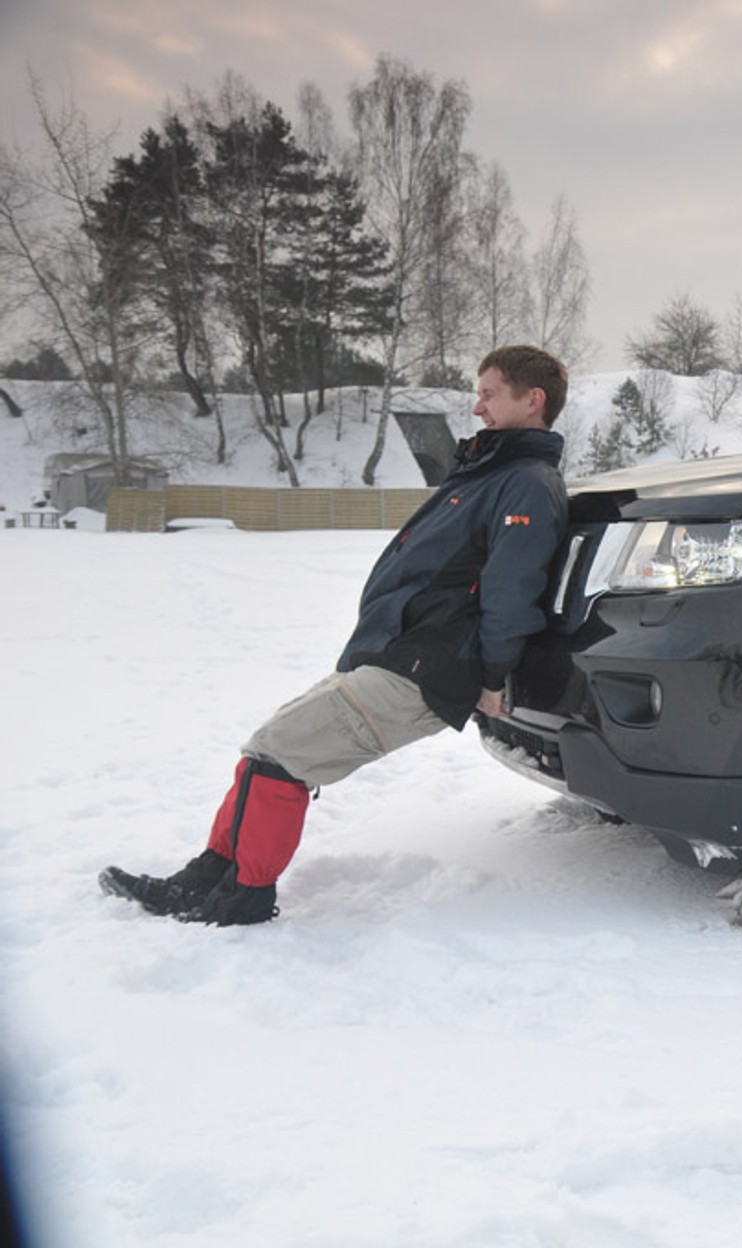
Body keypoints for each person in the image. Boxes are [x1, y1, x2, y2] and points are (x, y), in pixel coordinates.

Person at [100, 344, 571, 926]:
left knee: (280, 752)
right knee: (263, 752)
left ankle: (243, 897)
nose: (477, 407)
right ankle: (207, 876)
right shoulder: (489, 473)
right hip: (397, 655)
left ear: (534, 399)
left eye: (490, 393)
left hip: (429, 668)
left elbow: (511, 589)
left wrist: (495, 675)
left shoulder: (525, 482)